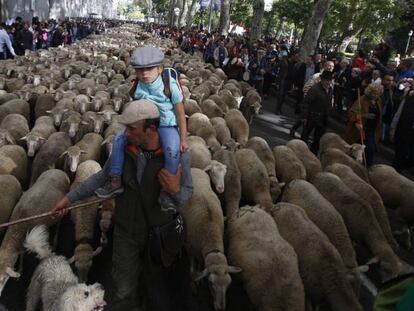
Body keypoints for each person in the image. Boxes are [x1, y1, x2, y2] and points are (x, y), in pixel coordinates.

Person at [51, 99, 193, 311]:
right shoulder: (123, 152)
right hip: (126, 232)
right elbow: (100, 178)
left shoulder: (178, 155)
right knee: (123, 289)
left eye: (132, 128)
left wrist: (175, 190)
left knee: (157, 289)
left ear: (151, 128)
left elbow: (187, 195)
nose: (125, 133)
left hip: (159, 236)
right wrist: (70, 198)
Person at [95, 47, 188, 213]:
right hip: (145, 124)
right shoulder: (138, 87)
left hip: (166, 123)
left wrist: (183, 138)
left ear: (160, 68)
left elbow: (180, 113)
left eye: (150, 69)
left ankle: (166, 192)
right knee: (117, 139)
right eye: (140, 69)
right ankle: (115, 180)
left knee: (173, 150)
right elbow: (136, 110)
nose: (145, 73)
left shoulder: (170, 86)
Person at [343, 83, 384, 166]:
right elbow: (352, 112)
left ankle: (367, 167)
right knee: (356, 147)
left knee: (370, 148)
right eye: (374, 93)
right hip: (361, 128)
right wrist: (356, 122)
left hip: (372, 128)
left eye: (377, 93)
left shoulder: (378, 101)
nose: (375, 95)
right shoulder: (362, 100)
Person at [301, 70, 334, 154]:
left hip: (323, 117)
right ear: (322, 80)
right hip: (312, 115)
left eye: (330, 80)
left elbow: (329, 102)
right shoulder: (315, 89)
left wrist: (329, 111)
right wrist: (304, 116)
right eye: (326, 80)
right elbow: (306, 102)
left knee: (318, 138)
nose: (328, 82)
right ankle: (301, 151)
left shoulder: (330, 89)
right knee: (305, 135)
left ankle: (313, 152)